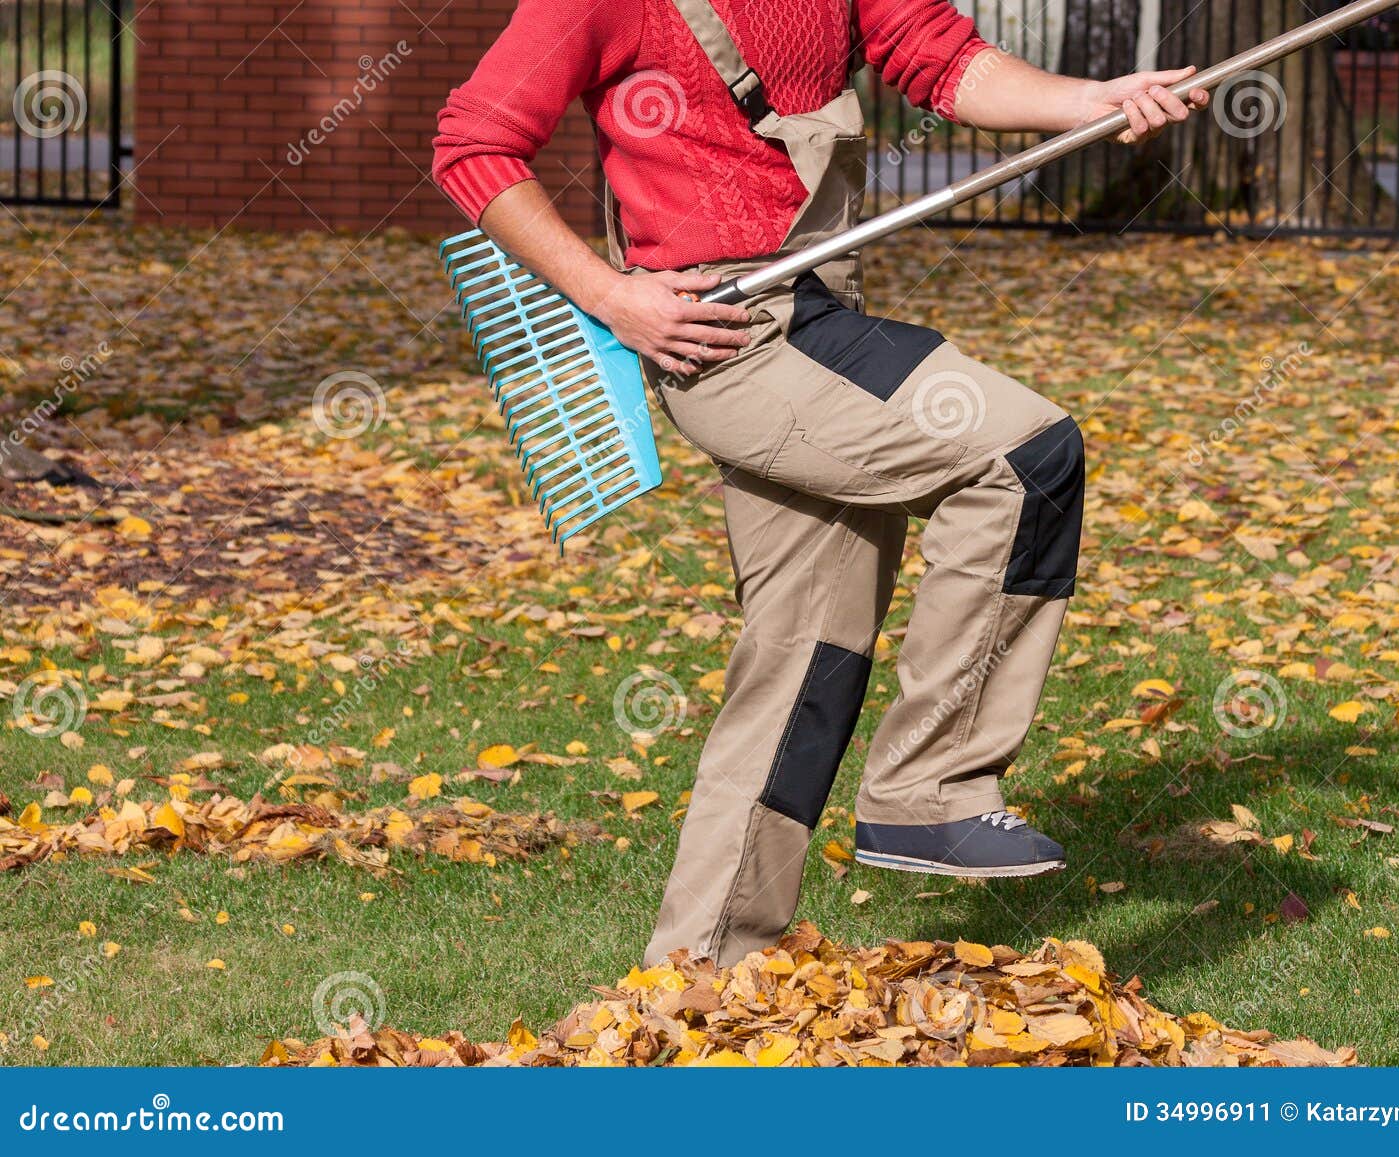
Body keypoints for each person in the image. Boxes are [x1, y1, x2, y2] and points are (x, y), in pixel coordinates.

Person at [434, 0, 1209, 966]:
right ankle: (929, 787)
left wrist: (1094, 97)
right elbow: (473, 144)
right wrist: (610, 294)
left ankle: (705, 976)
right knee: (1026, 454)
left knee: (807, 659)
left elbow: (941, 61)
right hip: (734, 337)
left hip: (823, 310)